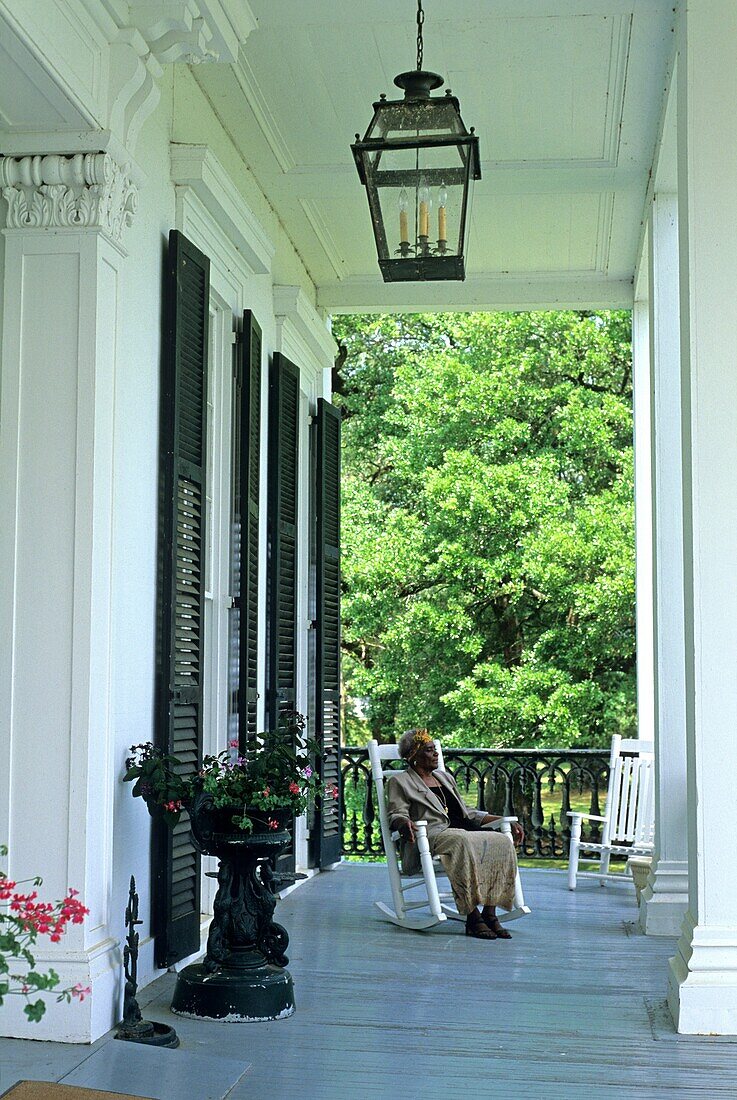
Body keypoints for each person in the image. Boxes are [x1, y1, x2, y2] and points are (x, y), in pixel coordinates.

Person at [386, 728, 524, 940]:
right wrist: (403, 823)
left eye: (435, 750)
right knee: (461, 840)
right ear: (414, 755)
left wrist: (503, 820)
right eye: (429, 750)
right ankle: (472, 916)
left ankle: (490, 912)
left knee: (501, 840)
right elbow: (396, 813)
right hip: (432, 834)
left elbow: (467, 812)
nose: (436, 754)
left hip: (462, 829)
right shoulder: (400, 781)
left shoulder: (445, 777)